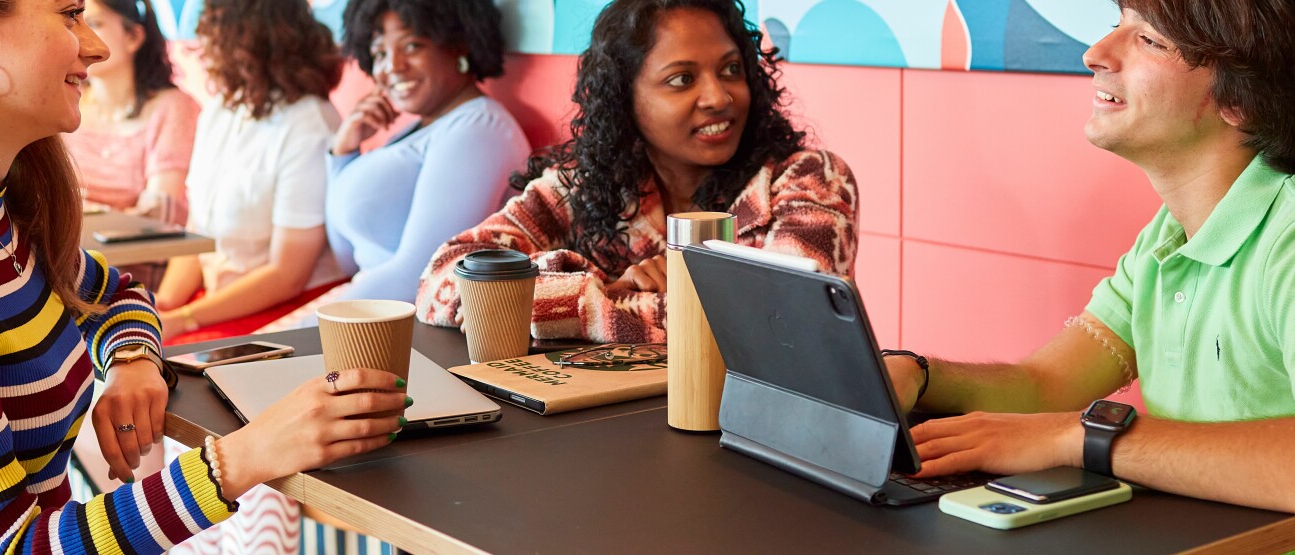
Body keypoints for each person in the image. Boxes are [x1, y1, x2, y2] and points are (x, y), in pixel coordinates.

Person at [0, 1, 405, 552]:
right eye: (69, 15)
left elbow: (117, 294)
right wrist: (241, 459)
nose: (94, 48)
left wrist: (133, 362)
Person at [878, 2, 1295, 552]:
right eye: (1117, 23)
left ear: (1242, 97)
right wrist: (919, 377)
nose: (1095, 53)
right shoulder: (1170, 237)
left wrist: (1085, 437)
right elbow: (1046, 386)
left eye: (1149, 38)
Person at [415, 0, 858, 343]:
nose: (719, 97)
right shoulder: (584, 187)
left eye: (730, 69)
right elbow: (443, 280)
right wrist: (604, 292)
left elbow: (783, 328)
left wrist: (602, 300)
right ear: (624, 100)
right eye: (683, 79)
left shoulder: (810, 180)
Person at [316, 0, 528, 308]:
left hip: (400, 327)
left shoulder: (478, 129)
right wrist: (342, 153)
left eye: (413, 45)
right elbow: (347, 259)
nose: (393, 66)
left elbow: (417, 277)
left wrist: (292, 337)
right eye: (380, 53)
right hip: (367, 313)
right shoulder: (422, 127)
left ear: (457, 44)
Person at [156, 0, 347, 341]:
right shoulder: (220, 110)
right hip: (218, 306)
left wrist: (185, 319)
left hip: (286, 310)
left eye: (212, 31)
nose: (199, 45)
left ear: (250, 40)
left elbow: (288, 274)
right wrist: (164, 304)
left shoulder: (309, 124)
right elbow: (198, 233)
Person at [61, 0, 198, 225]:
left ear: (133, 37)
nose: (79, 38)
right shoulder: (61, 100)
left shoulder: (172, 107)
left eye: (94, 23)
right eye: (72, 23)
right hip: (59, 252)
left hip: (136, 255)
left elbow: (157, 217)